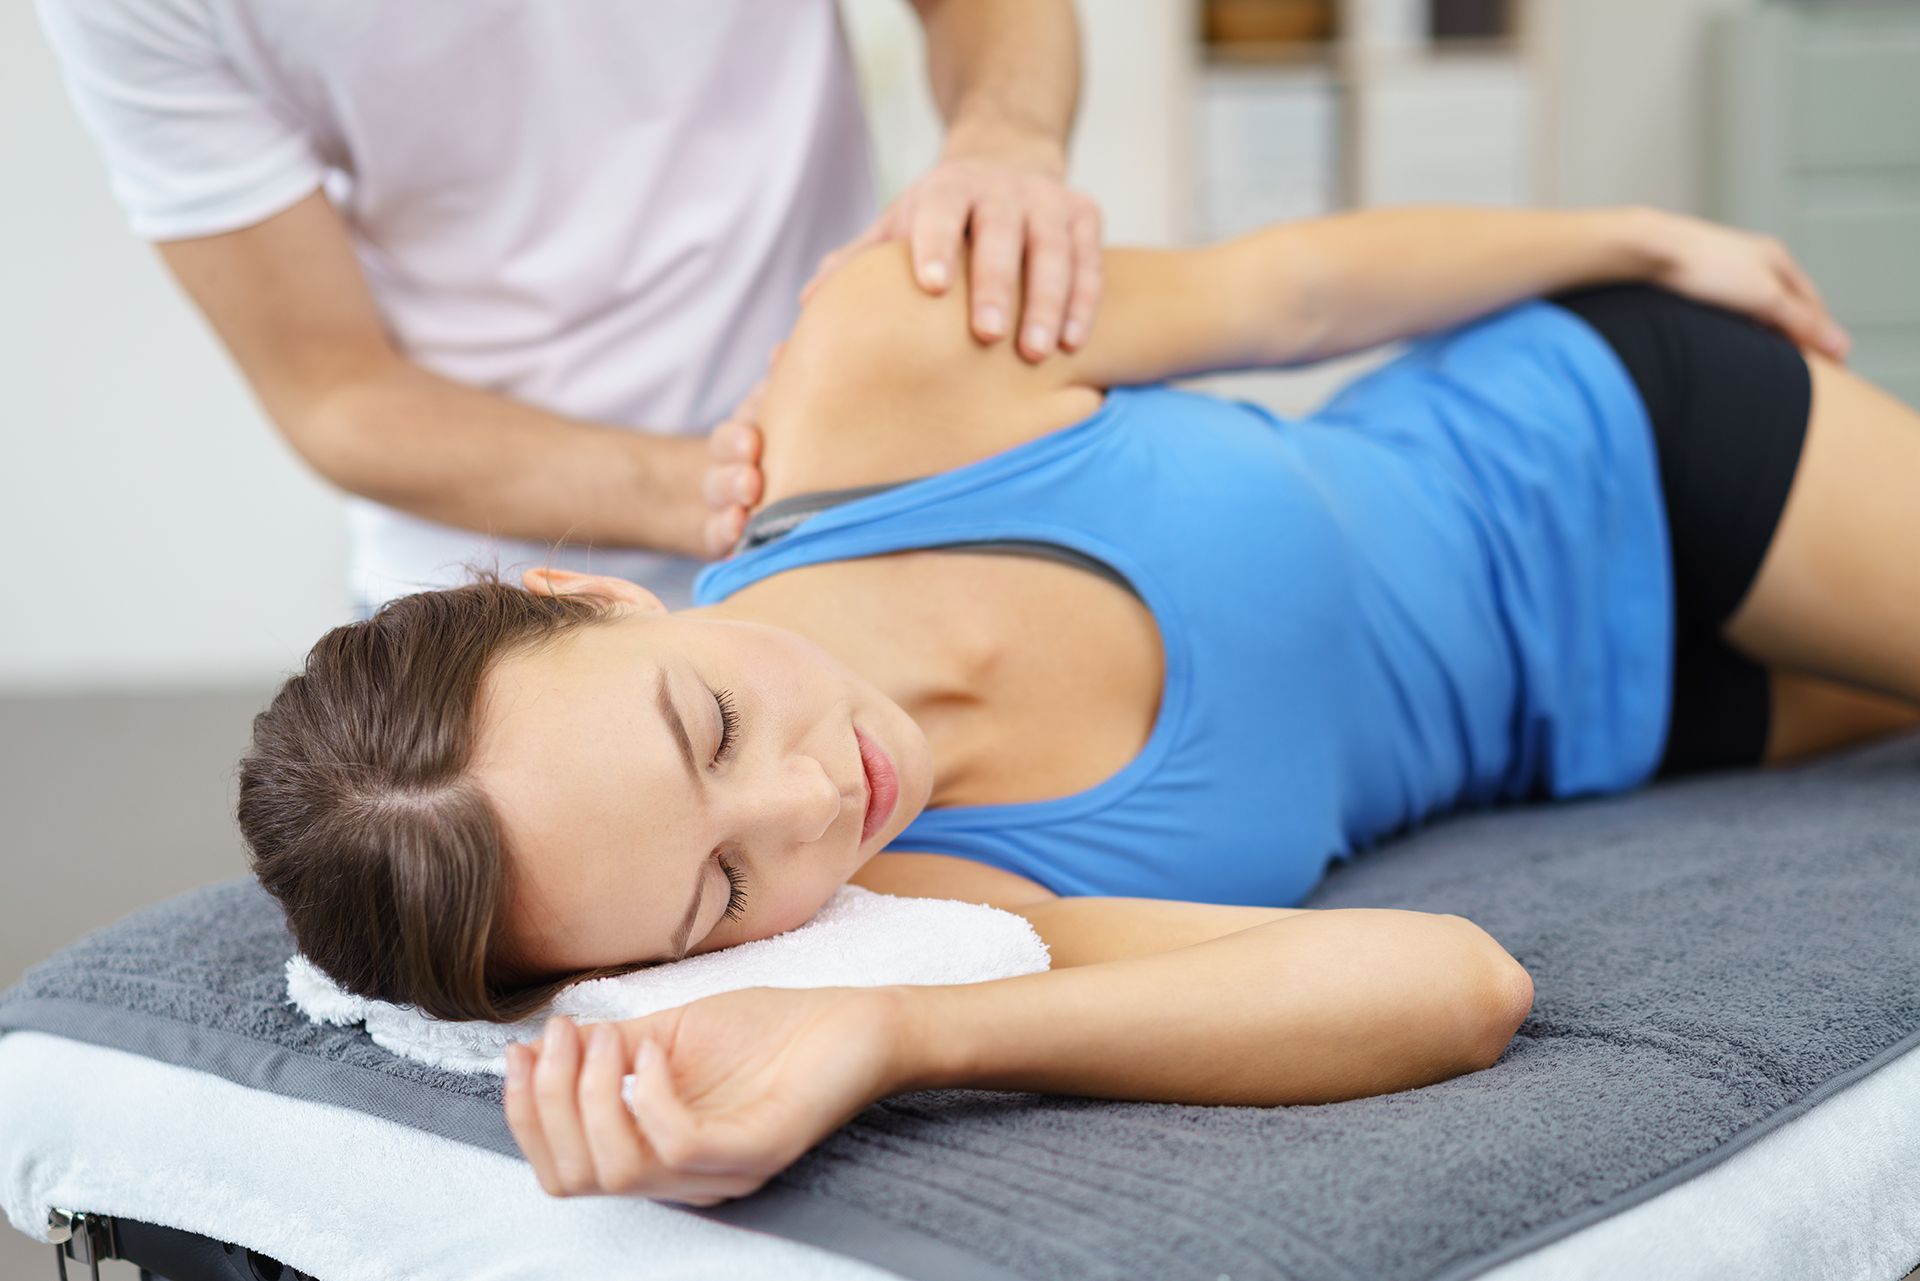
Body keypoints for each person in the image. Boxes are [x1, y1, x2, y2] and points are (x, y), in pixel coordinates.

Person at [234, 201, 1919, 1208]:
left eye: (715, 727)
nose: (818, 805)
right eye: (721, 891)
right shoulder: (935, 907)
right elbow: (1461, 984)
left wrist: (1636, 236)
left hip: (1626, 443)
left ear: (586, 590)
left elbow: (1289, 297)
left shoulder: (881, 371)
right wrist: (899, 1036)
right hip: (1631, 730)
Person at [32, 0, 1102, 613]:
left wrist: (1003, 142)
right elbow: (334, 392)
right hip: (496, 597)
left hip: (875, 512)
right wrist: (728, 490)